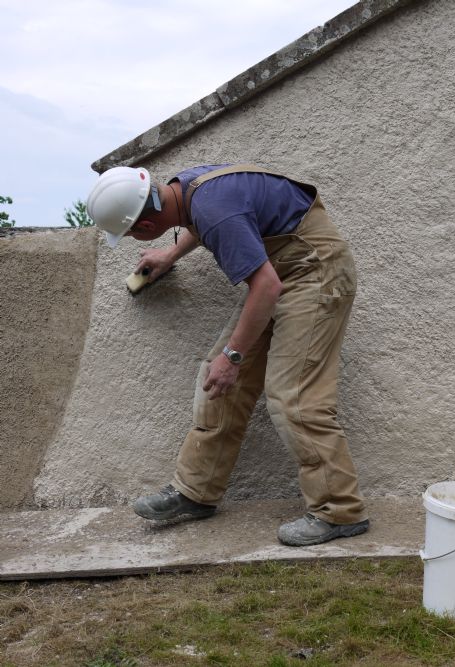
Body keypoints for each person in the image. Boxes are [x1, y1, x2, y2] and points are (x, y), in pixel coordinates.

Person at [86, 163, 369, 546]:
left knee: (294, 397)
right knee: (217, 381)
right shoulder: (184, 190)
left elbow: (263, 284)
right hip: (280, 271)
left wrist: (233, 355)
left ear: (144, 228)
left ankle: (340, 512)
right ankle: (195, 492)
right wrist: (171, 254)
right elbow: (211, 226)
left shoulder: (213, 209)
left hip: (314, 273)